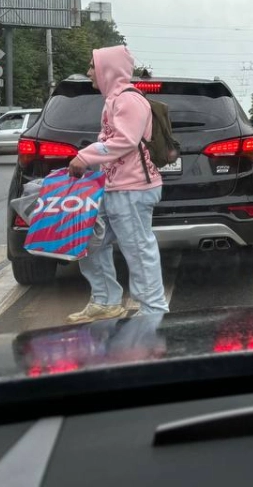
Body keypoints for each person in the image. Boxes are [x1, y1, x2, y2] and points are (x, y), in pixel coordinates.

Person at [67, 45, 168, 322]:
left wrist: (83, 157)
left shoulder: (128, 100)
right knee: (87, 240)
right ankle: (105, 301)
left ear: (107, 69)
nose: (89, 72)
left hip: (133, 188)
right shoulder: (113, 100)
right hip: (114, 187)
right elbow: (111, 142)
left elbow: (125, 141)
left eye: (92, 66)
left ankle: (153, 312)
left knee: (137, 249)